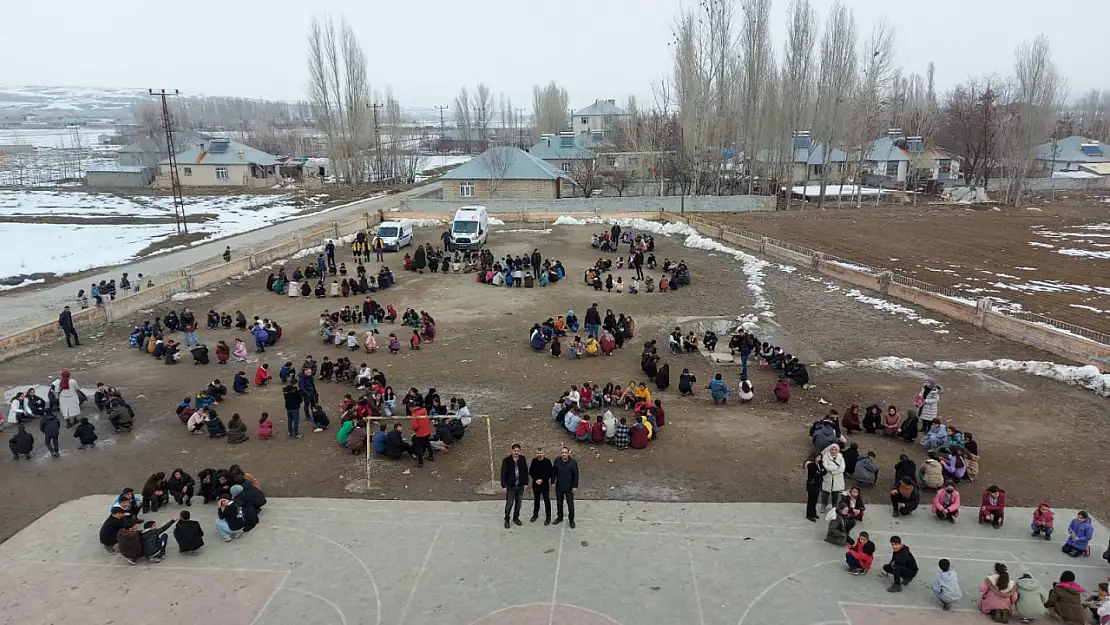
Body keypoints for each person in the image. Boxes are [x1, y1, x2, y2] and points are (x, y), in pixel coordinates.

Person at [500, 443, 529, 529]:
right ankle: (507, 519)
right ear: (512, 451)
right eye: (514, 451)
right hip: (510, 486)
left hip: (520, 486)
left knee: (518, 503)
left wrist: (526, 483)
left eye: (518, 451)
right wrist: (503, 486)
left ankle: (516, 518)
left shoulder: (522, 459)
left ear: (519, 451)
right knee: (509, 503)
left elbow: (525, 471)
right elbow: (503, 474)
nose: (516, 452)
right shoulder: (506, 460)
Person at [552, 446, 579, 528]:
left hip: (569, 487)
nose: (564, 454)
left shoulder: (573, 463)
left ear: (568, 453)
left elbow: (576, 475)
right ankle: (559, 517)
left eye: (565, 453)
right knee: (559, 503)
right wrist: (553, 482)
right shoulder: (557, 460)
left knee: (570, 505)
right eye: (562, 453)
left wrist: (575, 486)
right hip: (559, 487)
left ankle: (571, 520)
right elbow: (554, 472)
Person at [529, 447, 553, 525]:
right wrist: (536, 479)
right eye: (538, 453)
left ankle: (548, 517)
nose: (539, 455)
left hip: (544, 484)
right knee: (536, 500)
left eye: (541, 453)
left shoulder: (548, 461)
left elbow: (550, 473)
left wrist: (542, 480)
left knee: (547, 500)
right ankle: (535, 514)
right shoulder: (534, 461)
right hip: (536, 484)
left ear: (543, 453)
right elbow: (531, 472)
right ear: (536, 454)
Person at [819, 444, 846, 513]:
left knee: (836, 493)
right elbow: (826, 467)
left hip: (837, 479)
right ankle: (824, 505)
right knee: (825, 493)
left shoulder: (841, 457)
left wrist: (833, 471)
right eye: (832, 449)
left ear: (838, 450)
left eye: (835, 449)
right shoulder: (825, 457)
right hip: (827, 478)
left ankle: (834, 506)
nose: (833, 451)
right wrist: (836, 468)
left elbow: (842, 468)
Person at [804, 452, 824, 522]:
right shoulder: (811, 465)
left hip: (817, 484)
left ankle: (813, 513)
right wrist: (820, 472)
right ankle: (809, 514)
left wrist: (820, 472)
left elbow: (824, 472)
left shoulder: (819, 464)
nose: (820, 458)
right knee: (811, 500)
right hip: (812, 485)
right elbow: (815, 474)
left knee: (815, 500)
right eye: (818, 457)